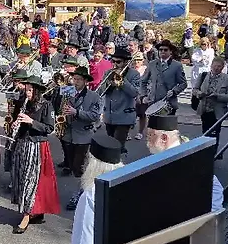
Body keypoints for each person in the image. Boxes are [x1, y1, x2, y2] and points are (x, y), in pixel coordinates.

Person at [10, 74, 60, 234]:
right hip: (22, 143)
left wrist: (31, 122)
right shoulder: (23, 103)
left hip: (36, 145)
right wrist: (15, 124)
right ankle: (34, 211)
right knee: (21, 177)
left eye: (30, 90)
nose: (27, 92)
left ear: (37, 91)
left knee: (31, 179)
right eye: (26, 89)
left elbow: (49, 128)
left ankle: (27, 214)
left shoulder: (46, 105)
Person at [146, 114, 224, 212]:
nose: (147, 141)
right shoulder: (162, 153)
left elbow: (215, 189)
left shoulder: (190, 159)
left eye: (150, 136)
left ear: (164, 138)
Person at [62, 66, 104, 211]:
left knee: (79, 166)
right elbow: (57, 104)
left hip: (83, 136)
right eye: (74, 79)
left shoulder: (94, 96)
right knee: (73, 165)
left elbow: (94, 116)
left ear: (86, 81)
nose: (75, 82)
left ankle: (81, 191)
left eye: (79, 79)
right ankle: (82, 187)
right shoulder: (68, 90)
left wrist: (76, 112)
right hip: (68, 134)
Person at [101, 48, 140, 153]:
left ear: (126, 62)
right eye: (113, 61)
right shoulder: (108, 73)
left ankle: (119, 165)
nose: (114, 64)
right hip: (109, 116)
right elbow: (101, 92)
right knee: (110, 143)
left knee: (117, 145)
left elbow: (135, 93)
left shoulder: (134, 74)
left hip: (124, 116)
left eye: (118, 62)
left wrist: (122, 81)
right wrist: (108, 83)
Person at [196, 57, 228, 152]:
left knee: (214, 133)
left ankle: (213, 153)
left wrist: (217, 96)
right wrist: (199, 94)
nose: (216, 68)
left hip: (217, 111)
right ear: (211, 65)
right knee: (205, 132)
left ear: (223, 68)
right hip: (204, 109)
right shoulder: (203, 76)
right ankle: (204, 152)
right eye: (215, 66)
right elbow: (195, 89)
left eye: (219, 66)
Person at [140, 40, 187, 115]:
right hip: (153, 102)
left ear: (170, 51)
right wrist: (143, 96)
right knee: (152, 126)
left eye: (165, 50)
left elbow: (183, 83)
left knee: (168, 126)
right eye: (160, 50)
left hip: (168, 103)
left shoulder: (177, 65)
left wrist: (174, 91)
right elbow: (143, 81)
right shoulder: (152, 64)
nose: (162, 51)